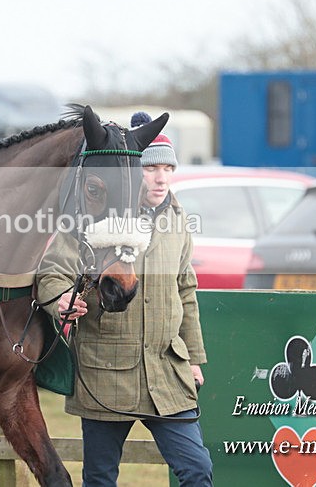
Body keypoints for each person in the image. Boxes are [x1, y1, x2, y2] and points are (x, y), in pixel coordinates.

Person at [36, 114, 213, 486]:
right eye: (151, 169)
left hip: (167, 373)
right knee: (100, 479)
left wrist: (194, 359)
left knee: (197, 469)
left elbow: (186, 291)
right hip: (106, 373)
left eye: (167, 168)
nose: (161, 177)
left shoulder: (178, 222)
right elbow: (50, 275)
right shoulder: (92, 218)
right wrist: (61, 300)